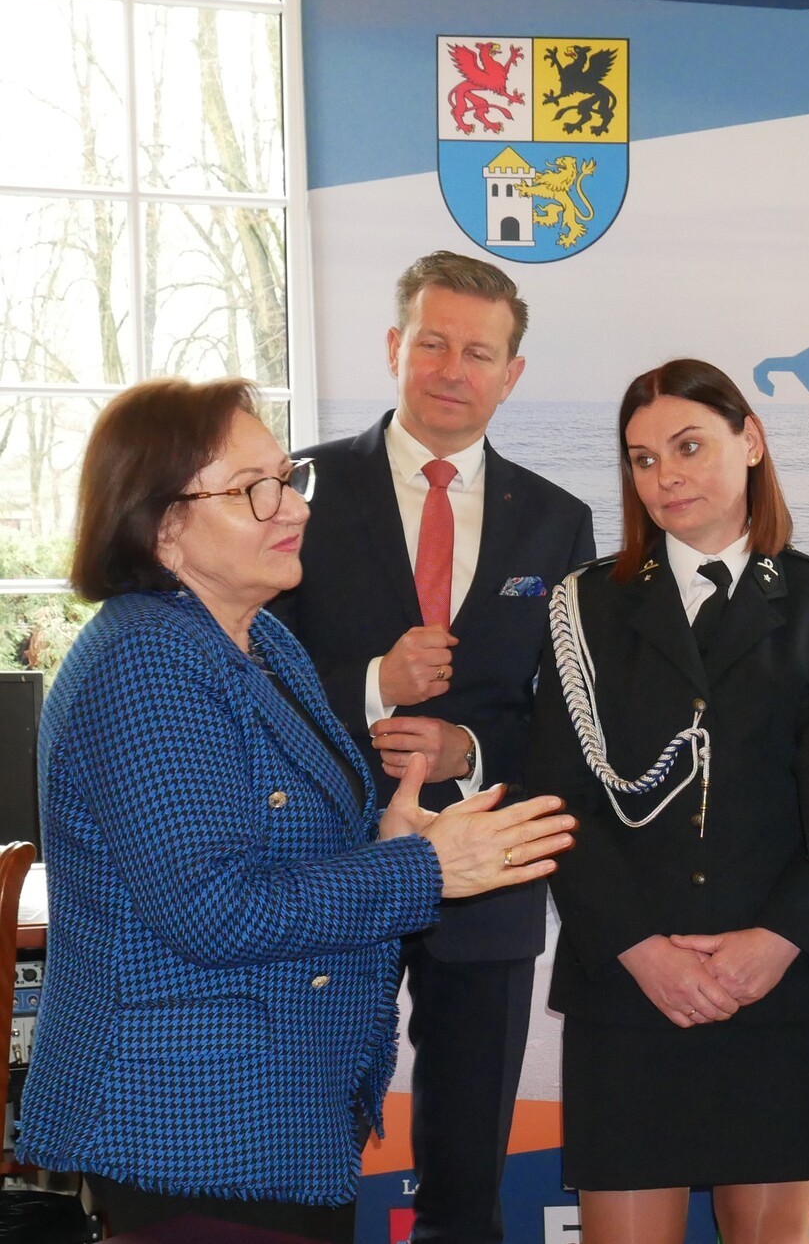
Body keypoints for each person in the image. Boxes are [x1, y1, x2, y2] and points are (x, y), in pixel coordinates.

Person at [17, 377, 576, 1241]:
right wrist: (424, 868)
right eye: (254, 489)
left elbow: (281, 841)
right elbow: (213, 906)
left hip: (281, 1110)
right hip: (189, 1124)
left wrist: (389, 835)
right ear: (163, 527)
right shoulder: (144, 661)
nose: (296, 507)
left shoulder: (262, 638)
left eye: (288, 478)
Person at [273, 252, 596, 1243]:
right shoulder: (295, 489)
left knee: (466, 1184)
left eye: (478, 353)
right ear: (393, 347)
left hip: (487, 877)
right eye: (433, 343)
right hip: (324, 870)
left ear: (512, 373)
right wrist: (373, 682)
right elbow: (243, 678)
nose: (453, 370)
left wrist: (469, 750)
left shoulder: (559, 521)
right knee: (301, 1156)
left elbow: (575, 720)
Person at [524, 359, 809, 1244]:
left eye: (687, 447)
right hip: (631, 987)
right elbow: (558, 799)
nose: (664, 476)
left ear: (750, 442)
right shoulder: (585, 608)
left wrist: (782, 936)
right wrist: (641, 948)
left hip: (778, 989)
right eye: (642, 459)